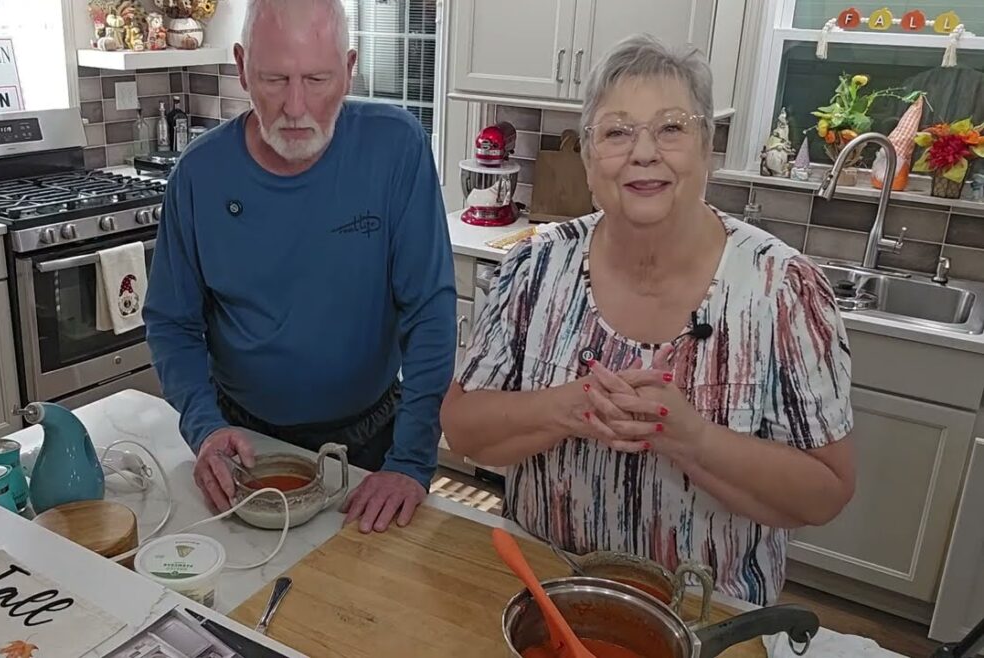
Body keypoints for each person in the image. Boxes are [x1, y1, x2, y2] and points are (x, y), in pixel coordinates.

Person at [440, 34, 856, 606]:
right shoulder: (535, 265)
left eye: (671, 127)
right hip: (548, 598)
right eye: (616, 131)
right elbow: (463, 430)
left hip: (706, 618)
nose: (643, 152)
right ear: (588, 158)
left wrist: (690, 439)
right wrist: (570, 406)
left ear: (707, 146)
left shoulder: (782, 289)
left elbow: (825, 493)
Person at [142, 0, 456, 534]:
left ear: (350, 69)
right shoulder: (199, 174)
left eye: (316, 79)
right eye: (273, 79)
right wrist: (204, 428)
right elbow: (172, 322)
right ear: (241, 68)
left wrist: (412, 459)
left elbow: (429, 310)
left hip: (372, 440)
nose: (294, 106)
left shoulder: (397, 147)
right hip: (244, 444)